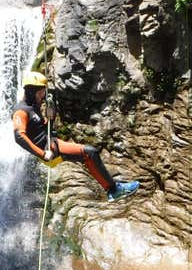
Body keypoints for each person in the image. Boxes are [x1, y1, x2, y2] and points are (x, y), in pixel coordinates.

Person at [12, 71, 140, 202]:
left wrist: (51, 117)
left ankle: (110, 187)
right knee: (90, 153)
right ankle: (113, 190)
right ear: (31, 91)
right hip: (48, 148)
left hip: (50, 141)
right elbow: (19, 137)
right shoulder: (21, 111)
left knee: (89, 155)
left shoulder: (34, 104)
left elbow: (41, 128)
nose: (42, 95)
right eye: (40, 92)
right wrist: (42, 154)